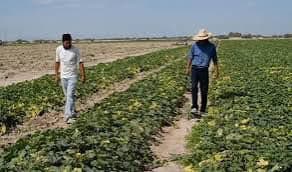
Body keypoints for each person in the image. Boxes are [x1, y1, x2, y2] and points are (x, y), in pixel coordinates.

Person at [186, 29, 219, 116]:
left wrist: (217, 71)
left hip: (204, 70)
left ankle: (203, 110)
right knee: (193, 87)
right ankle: (194, 107)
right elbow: (190, 57)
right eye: (200, 38)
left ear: (206, 38)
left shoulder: (211, 47)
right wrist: (188, 68)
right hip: (194, 69)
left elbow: (215, 60)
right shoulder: (194, 46)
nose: (201, 40)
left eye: (203, 38)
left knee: (204, 90)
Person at [55, 34, 86, 124]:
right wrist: (56, 75)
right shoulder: (58, 49)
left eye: (69, 42)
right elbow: (57, 62)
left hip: (73, 76)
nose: (68, 44)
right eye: (66, 43)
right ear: (63, 42)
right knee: (68, 96)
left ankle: (68, 116)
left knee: (69, 96)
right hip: (63, 76)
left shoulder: (75, 50)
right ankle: (72, 111)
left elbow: (80, 63)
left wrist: (83, 75)